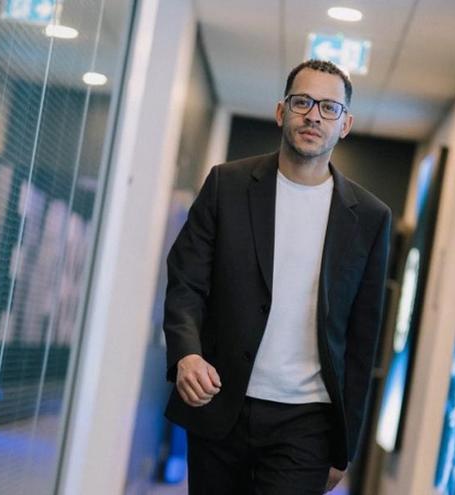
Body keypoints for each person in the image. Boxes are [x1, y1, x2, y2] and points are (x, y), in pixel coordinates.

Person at [163, 59, 391, 494]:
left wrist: (344, 447)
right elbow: (186, 280)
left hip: (307, 422)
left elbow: (363, 340)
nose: (314, 116)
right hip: (221, 400)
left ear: (345, 124)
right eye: (302, 102)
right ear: (281, 111)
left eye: (329, 108)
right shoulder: (227, 185)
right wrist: (186, 354)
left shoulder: (369, 218)